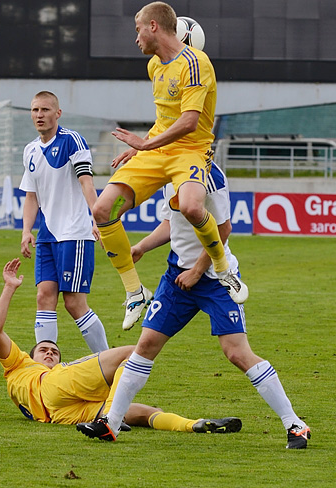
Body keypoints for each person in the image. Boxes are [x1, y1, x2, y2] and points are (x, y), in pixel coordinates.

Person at [78, 163, 311, 449]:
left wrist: (198, 271)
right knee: (146, 344)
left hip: (215, 279)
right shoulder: (170, 170)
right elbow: (169, 223)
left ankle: (294, 424)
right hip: (176, 277)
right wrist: (141, 247)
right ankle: (111, 424)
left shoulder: (210, 176)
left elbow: (223, 228)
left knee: (237, 352)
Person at [92, 1, 247, 331]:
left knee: (191, 207)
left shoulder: (196, 63)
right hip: (156, 151)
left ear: (153, 27)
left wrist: (145, 144)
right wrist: (141, 150)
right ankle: (135, 292)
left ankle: (222, 266)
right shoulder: (154, 67)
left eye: (137, 30)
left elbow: (189, 122)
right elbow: (165, 120)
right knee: (103, 210)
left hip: (189, 150)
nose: (135, 39)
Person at [0, 258, 242, 438]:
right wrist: (9, 287)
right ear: (29, 357)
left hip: (62, 415)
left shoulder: (31, 380)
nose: (51, 352)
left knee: (147, 414)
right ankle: (110, 420)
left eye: (54, 351)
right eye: (44, 350)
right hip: (52, 387)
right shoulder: (18, 365)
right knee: (133, 352)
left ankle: (193, 425)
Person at [20, 91, 108, 353]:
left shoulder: (72, 141)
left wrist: (98, 219)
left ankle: (107, 362)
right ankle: (44, 368)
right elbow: (31, 196)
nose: (39, 115)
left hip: (75, 232)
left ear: (58, 113)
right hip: (47, 235)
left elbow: (86, 183)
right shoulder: (30, 150)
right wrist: (26, 230)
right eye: (35, 110)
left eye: (45, 110)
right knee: (43, 296)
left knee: (74, 303)